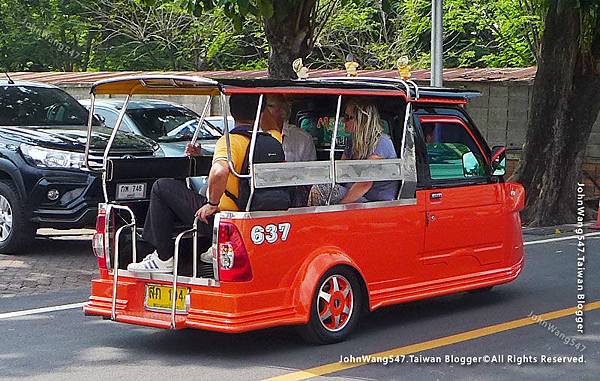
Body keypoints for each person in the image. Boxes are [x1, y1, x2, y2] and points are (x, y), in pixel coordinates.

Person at [128, 94, 282, 273]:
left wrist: (212, 204)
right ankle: (212, 248)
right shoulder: (274, 139)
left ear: (232, 113)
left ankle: (163, 258)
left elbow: (220, 171)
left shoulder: (229, 142)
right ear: (262, 111)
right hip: (255, 215)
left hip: (222, 218)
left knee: (161, 187)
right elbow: (240, 168)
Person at [308, 99, 399, 205]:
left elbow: (365, 184)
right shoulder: (351, 141)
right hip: (355, 194)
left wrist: (339, 206)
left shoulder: (381, 143)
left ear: (362, 119)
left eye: (347, 117)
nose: (343, 121)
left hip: (374, 201)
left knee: (320, 189)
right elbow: (341, 172)